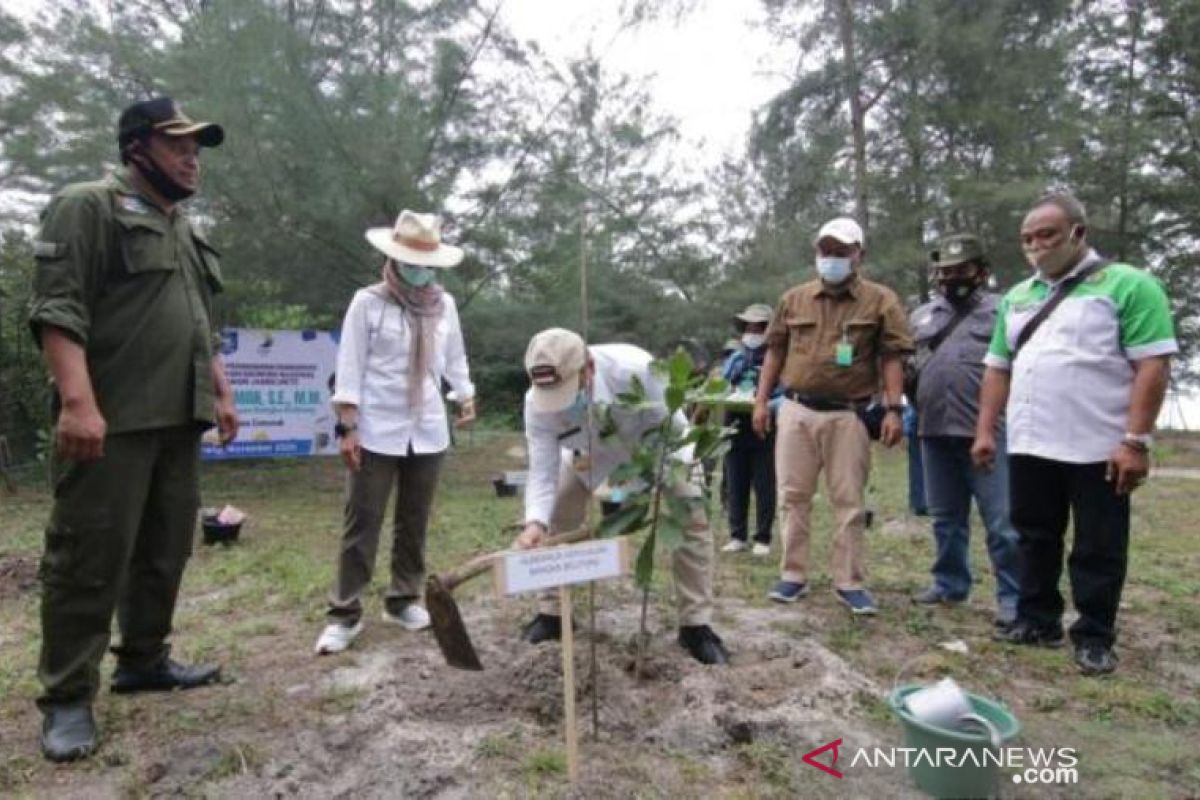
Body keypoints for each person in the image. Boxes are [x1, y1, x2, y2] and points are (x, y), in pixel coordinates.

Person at [27, 97, 237, 762]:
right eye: (179, 145)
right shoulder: (88, 205)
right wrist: (78, 403)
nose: (191, 159)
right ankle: (66, 697)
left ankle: (143, 659)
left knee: (164, 549)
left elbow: (199, 324)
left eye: (197, 149)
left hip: (180, 417)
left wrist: (223, 395)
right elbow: (57, 309)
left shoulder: (182, 225)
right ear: (137, 145)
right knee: (89, 557)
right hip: (111, 421)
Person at [973, 192, 1177, 675]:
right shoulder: (1019, 297)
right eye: (1027, 239)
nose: (1036, 247)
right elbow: (998, 367)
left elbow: (1153, 363)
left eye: (1046, 235)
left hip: (1098, 444)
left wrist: (1136, 440)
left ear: (1078, 232)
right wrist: (986, 430)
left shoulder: (1128, 285)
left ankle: (1094, 635)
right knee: (1033, 535)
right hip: (1030, 441)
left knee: (1098, 544)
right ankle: (1037, 619)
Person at [314, 211, 476, 655]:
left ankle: (403, 599)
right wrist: (347, 427)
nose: (419, 269)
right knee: (361, 521)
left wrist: (464, 394)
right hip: (376, 427)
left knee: (414, 520)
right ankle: (344, 612)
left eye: (427, 261)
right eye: (411, 259)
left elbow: (455, 357)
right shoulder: (367, 302)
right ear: (393, 258)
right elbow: (349, 367)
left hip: (426, 426)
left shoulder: (444, 306)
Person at [514, 328, 729, 664]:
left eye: (567, 389)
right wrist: (534, 522)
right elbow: (543, 470)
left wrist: (649, 484)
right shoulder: (535, 403)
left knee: (692, 520)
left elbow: (672, 432)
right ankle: (553, 613)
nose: (559, 400)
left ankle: (696, 625)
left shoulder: (637, 370)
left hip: (656, 454)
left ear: (589, 368)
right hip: (588, 459)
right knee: (557, 516)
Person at [752, 217, 914, 615]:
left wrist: (893, 409)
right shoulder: (794, 299)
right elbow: (774, 351)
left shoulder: (881, 301)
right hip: (795, 409)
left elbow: (892, 356)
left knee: (849, 500)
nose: (832, 258)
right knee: (792, 496)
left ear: (859, 254)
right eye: (826, 251)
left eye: (842, 251)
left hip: (849, 414)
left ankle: (849, 581)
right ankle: (792, 575)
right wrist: (761, 401)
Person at [908, 234, 1019, 629]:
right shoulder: (922, 316)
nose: (951, 278)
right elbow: (911, 366)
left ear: (981, 272)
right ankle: (950, 583)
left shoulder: (1004, 310)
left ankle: (1013, 598)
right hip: (933, 430)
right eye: (945, 271)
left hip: (988, 430)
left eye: (961, 270)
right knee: (945, 517)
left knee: (1002, 522)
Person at [720, 303, 782, 556]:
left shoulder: (779, 359)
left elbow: (786, 393)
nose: (753, 332)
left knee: (764, 481)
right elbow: (723, 385)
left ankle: (763, 537)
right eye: (749, 327)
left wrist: (766, 404)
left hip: (765, 426)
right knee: (735, 480)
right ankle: (737, 535)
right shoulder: (735, 358)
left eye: (759, 327)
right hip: (734, 423)